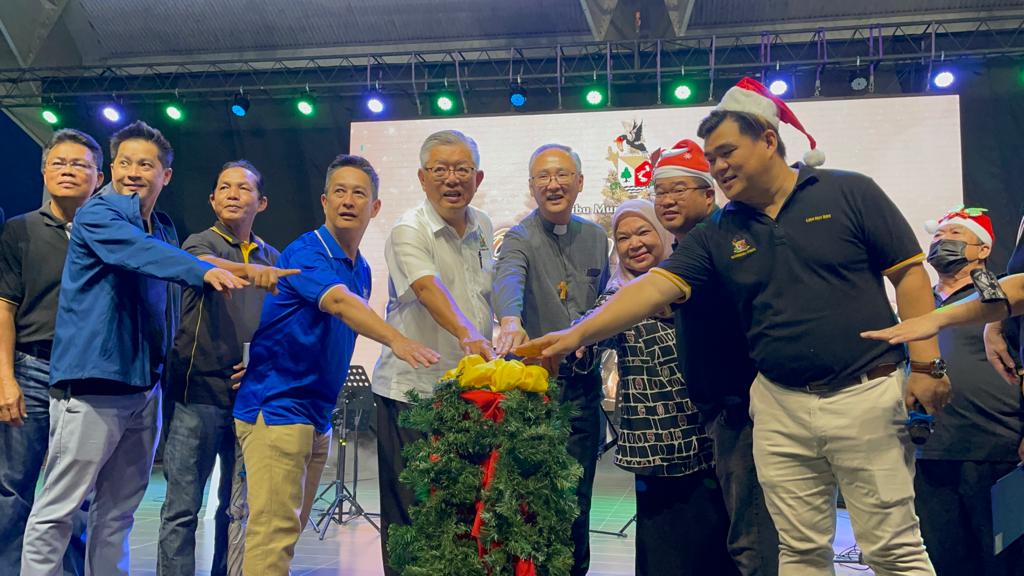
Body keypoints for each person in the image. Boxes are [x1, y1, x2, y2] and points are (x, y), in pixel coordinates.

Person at [523, 77, 951, 576]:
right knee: (798, 551)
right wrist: (576, 335)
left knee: (892, 549)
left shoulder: (848, 190)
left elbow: (908, 274)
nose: (720, 166)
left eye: (727, 152)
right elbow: (652, 289)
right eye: (712, 158)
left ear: (768, 139)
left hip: (864, 393)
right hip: (778, 405)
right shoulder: (718, 233)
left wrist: (926, 363)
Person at [20, 121, 249, 576]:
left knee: (118, 513)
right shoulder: (99, 215)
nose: (133, 171)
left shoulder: (161, 227)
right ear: (110, 170)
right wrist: (202, 271)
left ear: (166, 175)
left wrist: (241, 270)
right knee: (59, 510)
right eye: (124, 162)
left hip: (143, 390)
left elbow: (165, 261)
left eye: (146, 164)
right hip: (91, 387)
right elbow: (139, 252)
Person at [232, 154, 439, 574]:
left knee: (286, 533)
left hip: (316, 417)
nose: (348, 200)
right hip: (277, 410)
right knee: (272, 534)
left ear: (375, 207)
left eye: (359, 193)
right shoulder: (307, 252)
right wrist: (396, 339)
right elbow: (341, 303)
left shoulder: (360, 267)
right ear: (325, 201)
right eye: (339, 192)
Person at [158, 160, 297, 576]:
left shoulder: (273, 257)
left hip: (250, 402)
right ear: (213, 199)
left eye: (243, 188)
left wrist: (263, 369)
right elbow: (210, 271)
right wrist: (253, 273)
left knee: (236, 510)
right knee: (182, 508)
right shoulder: (198, 243)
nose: (233, 194)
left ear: (263, 201)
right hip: (196, 396)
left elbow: (282, 329)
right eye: (224, 187)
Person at [650, 139, 778, 575]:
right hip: (720, 414)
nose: (666, 199)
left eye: (679, 189)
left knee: (755, 538)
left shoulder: (723, 238)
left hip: (745, 411)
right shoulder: (691, 248)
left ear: (709, 194)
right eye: (660, 191)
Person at [372, 130, 496, 575]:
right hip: (414, 395)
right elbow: (428, 288)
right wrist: (469, 335)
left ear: (477, 178)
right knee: (413, 513)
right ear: (423, 178)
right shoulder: (410, 229)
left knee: (463, 510)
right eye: (440, 170)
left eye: (461, 169)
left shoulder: (482, 225)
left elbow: (487, 294)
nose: (451, 179)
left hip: (468, 394)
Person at [593, 198, 735, 575]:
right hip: (652, 446)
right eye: (623, 237)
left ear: (662, 233)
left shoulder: (698, 284)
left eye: (643, 231)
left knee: (714, 538)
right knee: (663, 547)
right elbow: (590, 336)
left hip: (703, 437)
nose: (633, 244)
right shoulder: (615, 297)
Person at [493, 143, 609, 576]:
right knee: (532, 499)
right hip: (537, 393)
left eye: (562, 175)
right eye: (543, 176)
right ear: (531, 186)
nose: (553, 184)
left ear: (579, 182)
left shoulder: (597, 237)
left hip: (583, 389)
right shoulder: (520, 236)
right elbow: (509, 277)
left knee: (578, 500)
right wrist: (509, 319)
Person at [0, 129, 105, 575]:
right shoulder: (19, 229)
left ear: (98, 178)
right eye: (59, 163)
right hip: (31, 368)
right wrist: (5, 378)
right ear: (45, 171)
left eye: (79, 164)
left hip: (86, 376)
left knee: (77, 494)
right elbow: (4, 307)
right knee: (13, 488)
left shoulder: (110, 235)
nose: (67, 170)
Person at [910, 207, 1024, 575]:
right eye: (938, 236)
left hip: (997, 451)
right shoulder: (916, 305)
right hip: (929, 455)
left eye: (956, 234)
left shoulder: (1005, 299)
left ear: (982, 250)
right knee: (945, 563)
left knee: (1003, 565)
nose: (942, 241)